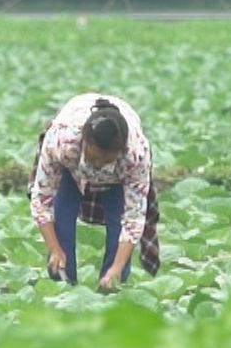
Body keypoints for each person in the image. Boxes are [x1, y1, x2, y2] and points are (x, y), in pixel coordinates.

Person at [30, 93, 160, 291]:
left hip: (117, 178)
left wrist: (115, 269)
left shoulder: (135, 155)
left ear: (119, 152)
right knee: (62, 217)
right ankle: (63, 285)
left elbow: (133, 219)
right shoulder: (62, 143)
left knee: (118, 226)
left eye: (106, 159)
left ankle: (111, 287)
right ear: (85, 142)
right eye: (95, 156)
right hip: (72, 166)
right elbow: (41, 200)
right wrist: (55, 250)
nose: (98, 164)